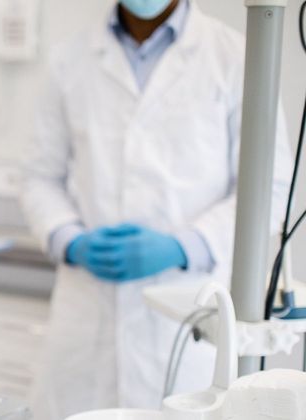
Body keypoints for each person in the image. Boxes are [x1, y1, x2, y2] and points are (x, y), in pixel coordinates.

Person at [20, 0, 292, 418]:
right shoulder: (68, 60)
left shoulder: (235, 56)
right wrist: (69, 240)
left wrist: (185, 246)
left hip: (190, 318)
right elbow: (39, 176)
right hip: (86, 321)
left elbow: (268, 188)